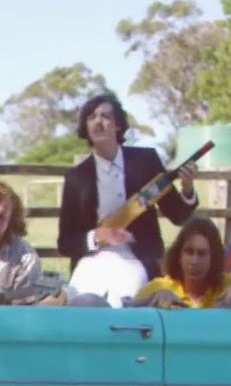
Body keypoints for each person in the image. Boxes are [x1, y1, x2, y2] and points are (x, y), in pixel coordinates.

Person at [56, 92, 198, 307]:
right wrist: (97, 236)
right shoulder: (76, 177)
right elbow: (65, 243)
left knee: (125, 306)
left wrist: (187, 188)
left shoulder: (146, 162)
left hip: (136, 260)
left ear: (118, 125)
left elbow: (178, 216)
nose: (98, 122)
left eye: (105, 116)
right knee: (81, 306)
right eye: (91, 117)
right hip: (91, 261)